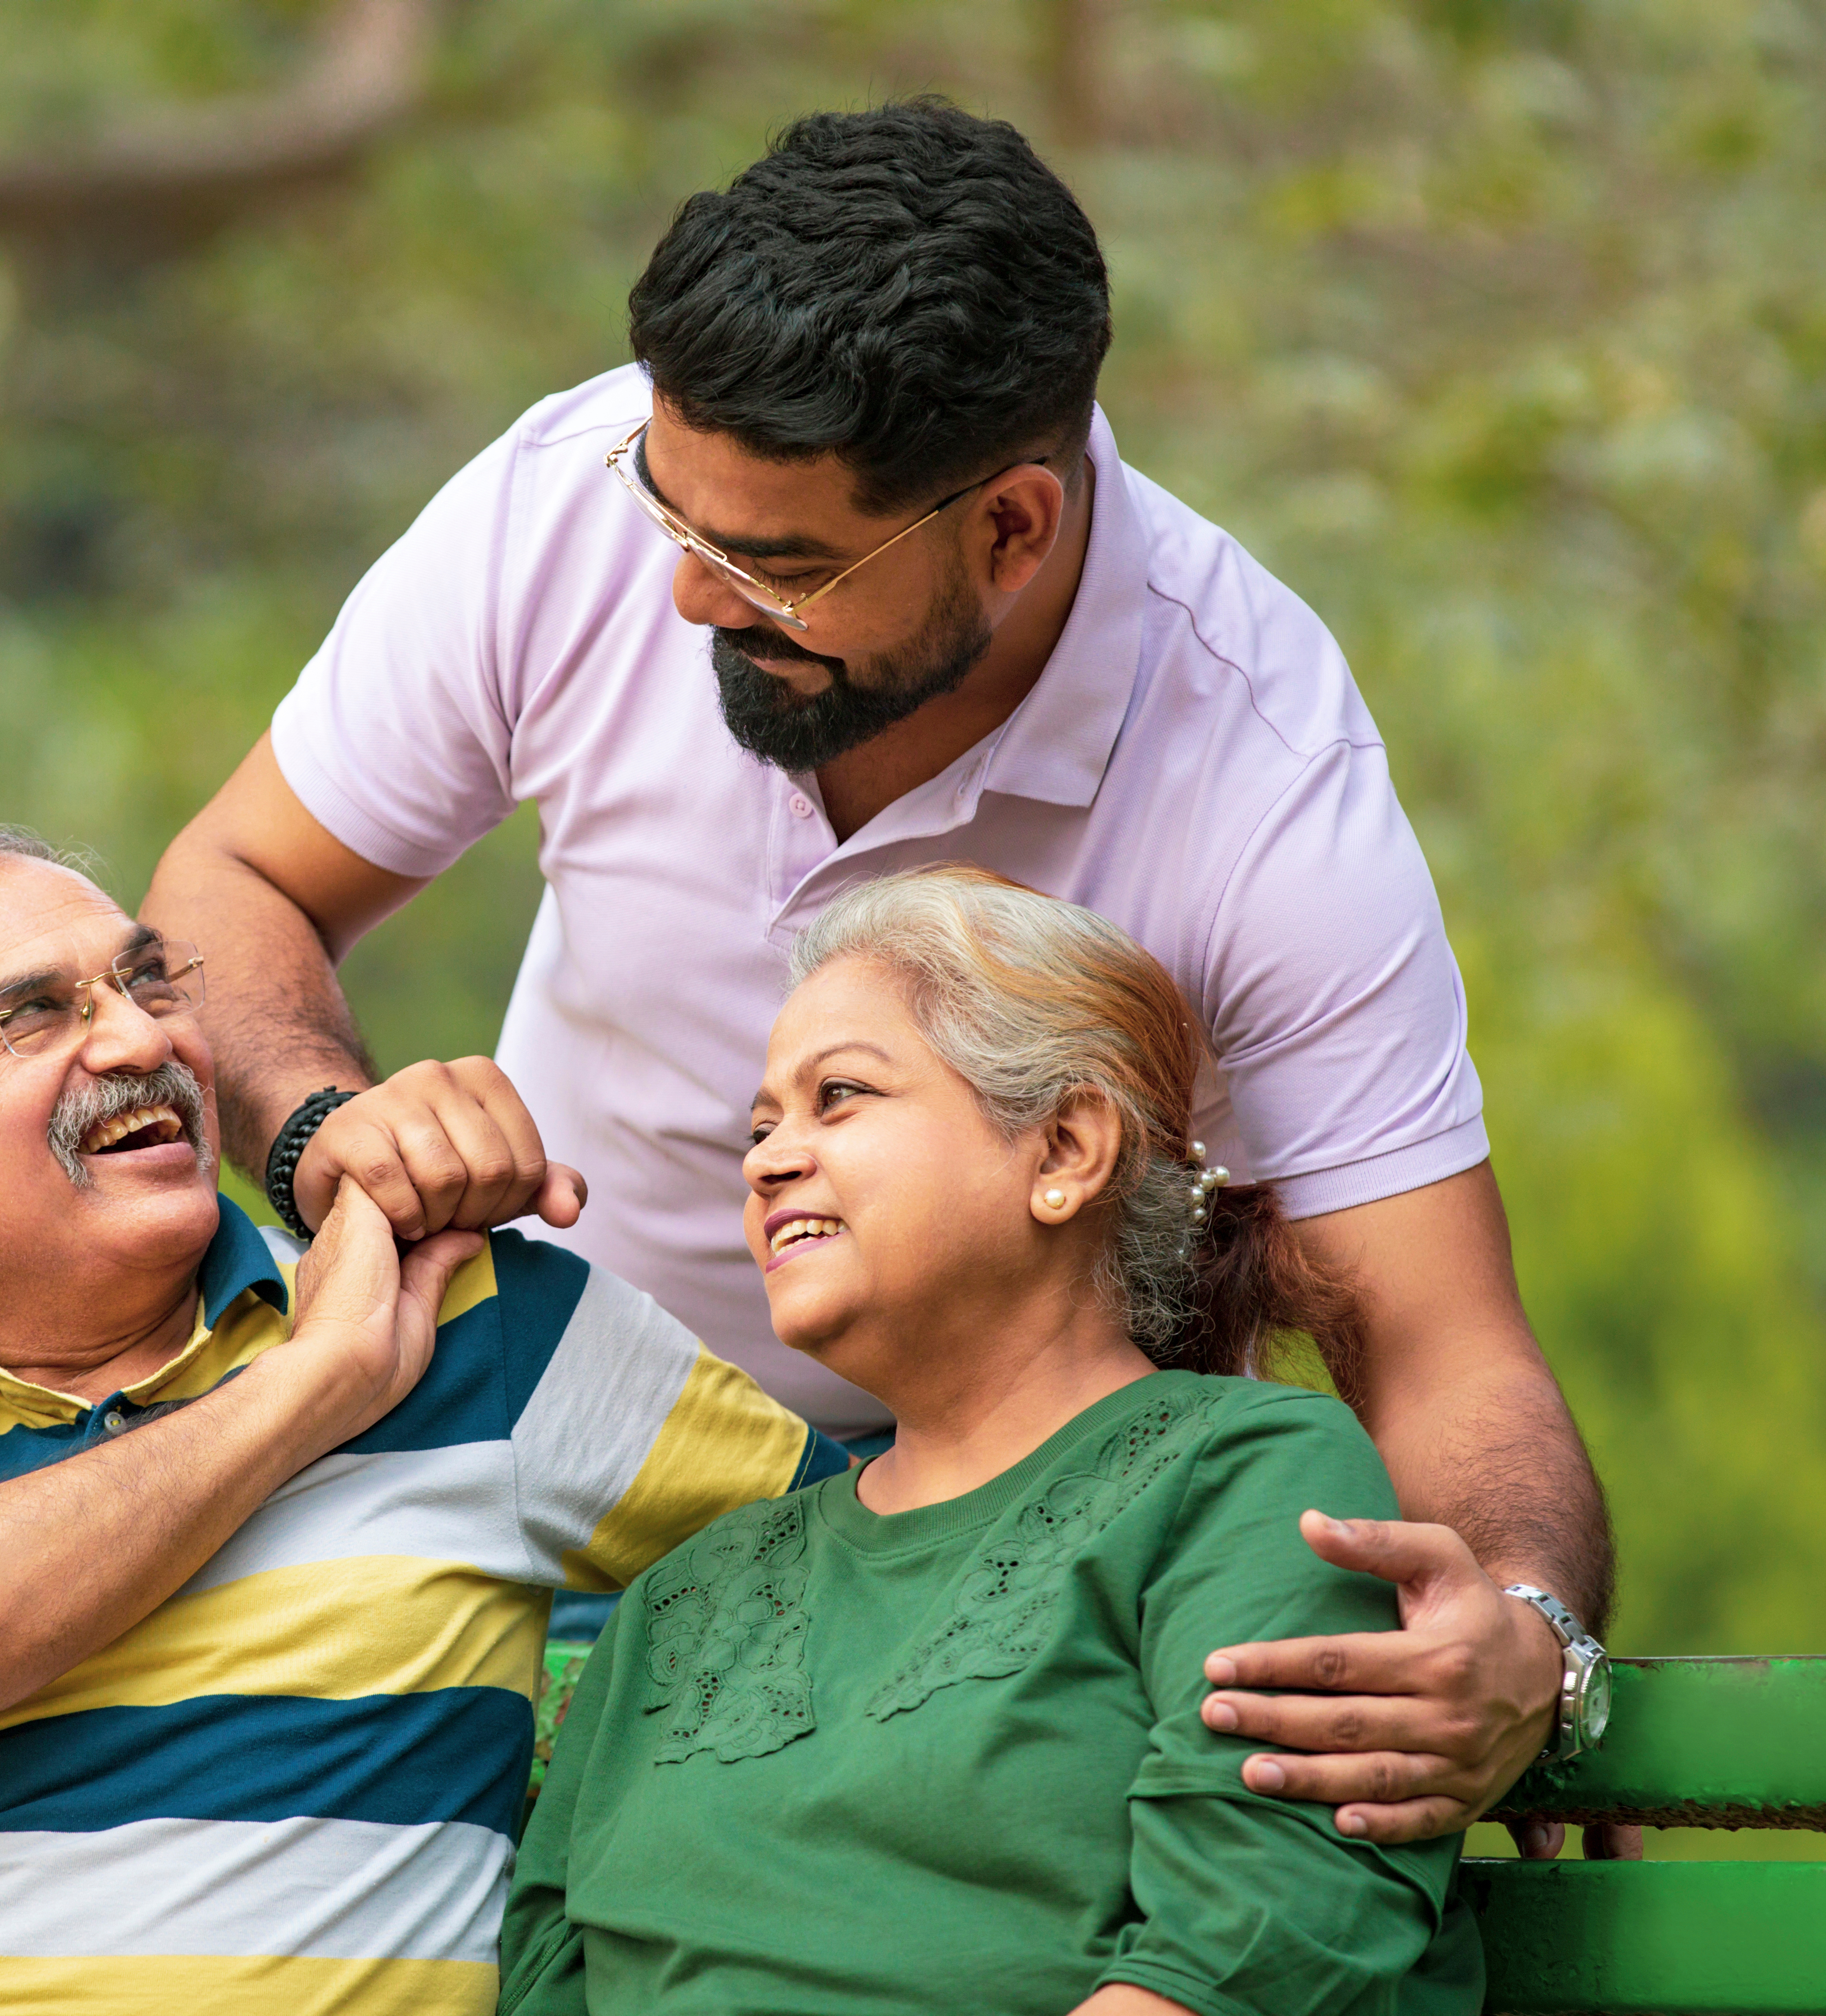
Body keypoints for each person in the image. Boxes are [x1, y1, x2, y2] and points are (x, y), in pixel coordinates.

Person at [147, 97, 1615, 1845]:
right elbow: (231, 883)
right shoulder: (561, 511)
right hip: (546, 1464)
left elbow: (1440, 1344)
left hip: (1005, 1564)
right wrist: (323, 1127)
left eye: (776, 566)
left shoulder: (1258, 768)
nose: (686, 598)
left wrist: (1526, 1630)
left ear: (1012, 528)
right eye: (668, 510)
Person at [0, 825, 845, 2014]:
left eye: (148, 982)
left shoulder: (470, 1316)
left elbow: (897, 1577)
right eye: (33, 1015)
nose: (141, 1038)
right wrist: (311, 1387)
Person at [502, 866, 1484, 2016]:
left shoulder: (1245, 1478)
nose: (766, 1160)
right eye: (761, 1128)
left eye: (839, 1096)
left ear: (1064, 1149)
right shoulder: (688, 1591)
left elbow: (1253, 1949)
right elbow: (547, 1976)